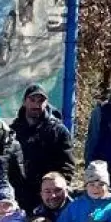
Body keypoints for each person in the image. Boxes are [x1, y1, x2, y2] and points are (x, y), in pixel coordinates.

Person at [11, 83, 77, 211]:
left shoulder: (58, 130)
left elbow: (67, 166)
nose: (36, 104)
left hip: (49, 199)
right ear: (24, 102)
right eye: (32, 100)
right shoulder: (13, 131)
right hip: (18, 197)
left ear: (46, 103)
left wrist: (55, 191)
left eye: (41, 100)